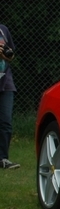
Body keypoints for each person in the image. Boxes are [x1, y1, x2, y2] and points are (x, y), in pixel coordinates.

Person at [0, 23, 19, 169]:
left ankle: (3, 159)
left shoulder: (3, 29)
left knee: (5, 121)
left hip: (5, 82)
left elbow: (11, 54)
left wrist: (7, 54)